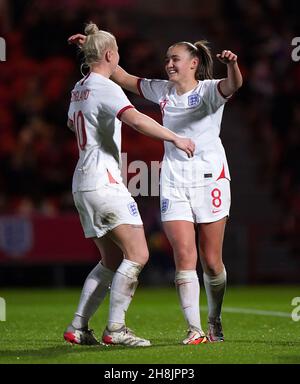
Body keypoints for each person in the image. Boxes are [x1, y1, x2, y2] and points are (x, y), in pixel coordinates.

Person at [68, 34, 242, 345]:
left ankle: (213, 316)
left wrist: (232, 66)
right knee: (183, 254)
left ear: (194, 63)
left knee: (212, 261)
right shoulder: (159, 89)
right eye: (166, 59)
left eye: (175, 59)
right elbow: (119, 74)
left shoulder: (209, 89)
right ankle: (195, 330)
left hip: (211, 178)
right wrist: (92, 46)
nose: (168, 64)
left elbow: (233, 86)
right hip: (173, 179)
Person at [64, 23, 195, 347]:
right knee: (138, 253)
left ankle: (78, 327)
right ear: (110, 54)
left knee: (110, 260)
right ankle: (116, 329)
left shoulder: (80, 87)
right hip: (103, 181)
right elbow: (135, 119)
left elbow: (72, 123)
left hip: (82, 181)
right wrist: (175, 137)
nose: (118, 57)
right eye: (117, 53)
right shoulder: (105, 87)